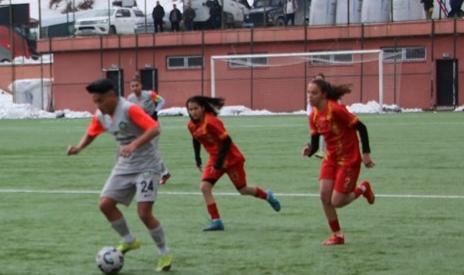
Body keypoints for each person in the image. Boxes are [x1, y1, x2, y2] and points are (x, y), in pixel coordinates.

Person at [66, 78, 173, 272]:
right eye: (95, 102)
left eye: (100, 101)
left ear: (112, 96)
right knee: (105, 204)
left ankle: (164, 253)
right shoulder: (101, 115)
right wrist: (79, 147)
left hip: (147, 165)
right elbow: (91, 133)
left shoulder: (129, 109)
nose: (98, 105)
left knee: (144, 213)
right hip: (124, 166)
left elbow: (154, 128)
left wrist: (133, 145)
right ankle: (129, 240)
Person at [186, 95, 281, 230]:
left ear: (202, 108)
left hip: (231, 159)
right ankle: (216, 221)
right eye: (190, 109)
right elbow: (195, 139)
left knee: (242, 189)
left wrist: (218, 163)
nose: (193, 112)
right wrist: (198, 158)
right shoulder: (190, 125)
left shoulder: (212, 121)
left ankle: (268, 196)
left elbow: (227, 142)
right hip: (215, 159)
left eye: (196, 108)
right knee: (204, 187)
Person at [302, 76, 375, 245]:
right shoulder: (312, 116)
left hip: (349, 159)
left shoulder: (336, 110)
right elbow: (314, 142)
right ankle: (337, 235)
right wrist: (309, 151)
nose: (309, 96)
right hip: (331, 159)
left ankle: (363, 188)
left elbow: (361, 128)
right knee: (324, 196)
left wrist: (366, 153)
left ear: (323, 95)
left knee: (337, 201)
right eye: (308, 92)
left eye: (314, 93)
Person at [125, 78, 172, 185]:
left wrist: (155, 111)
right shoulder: (130, 98)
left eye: (137, 85)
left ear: (141, 86)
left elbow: (162, 101)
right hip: (142, 129)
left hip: (153, 127)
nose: (135, 88)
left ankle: (159, 173)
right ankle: (163, 172)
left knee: (151, 150)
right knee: (145, 151)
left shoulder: (150, 94)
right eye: (132, 86)